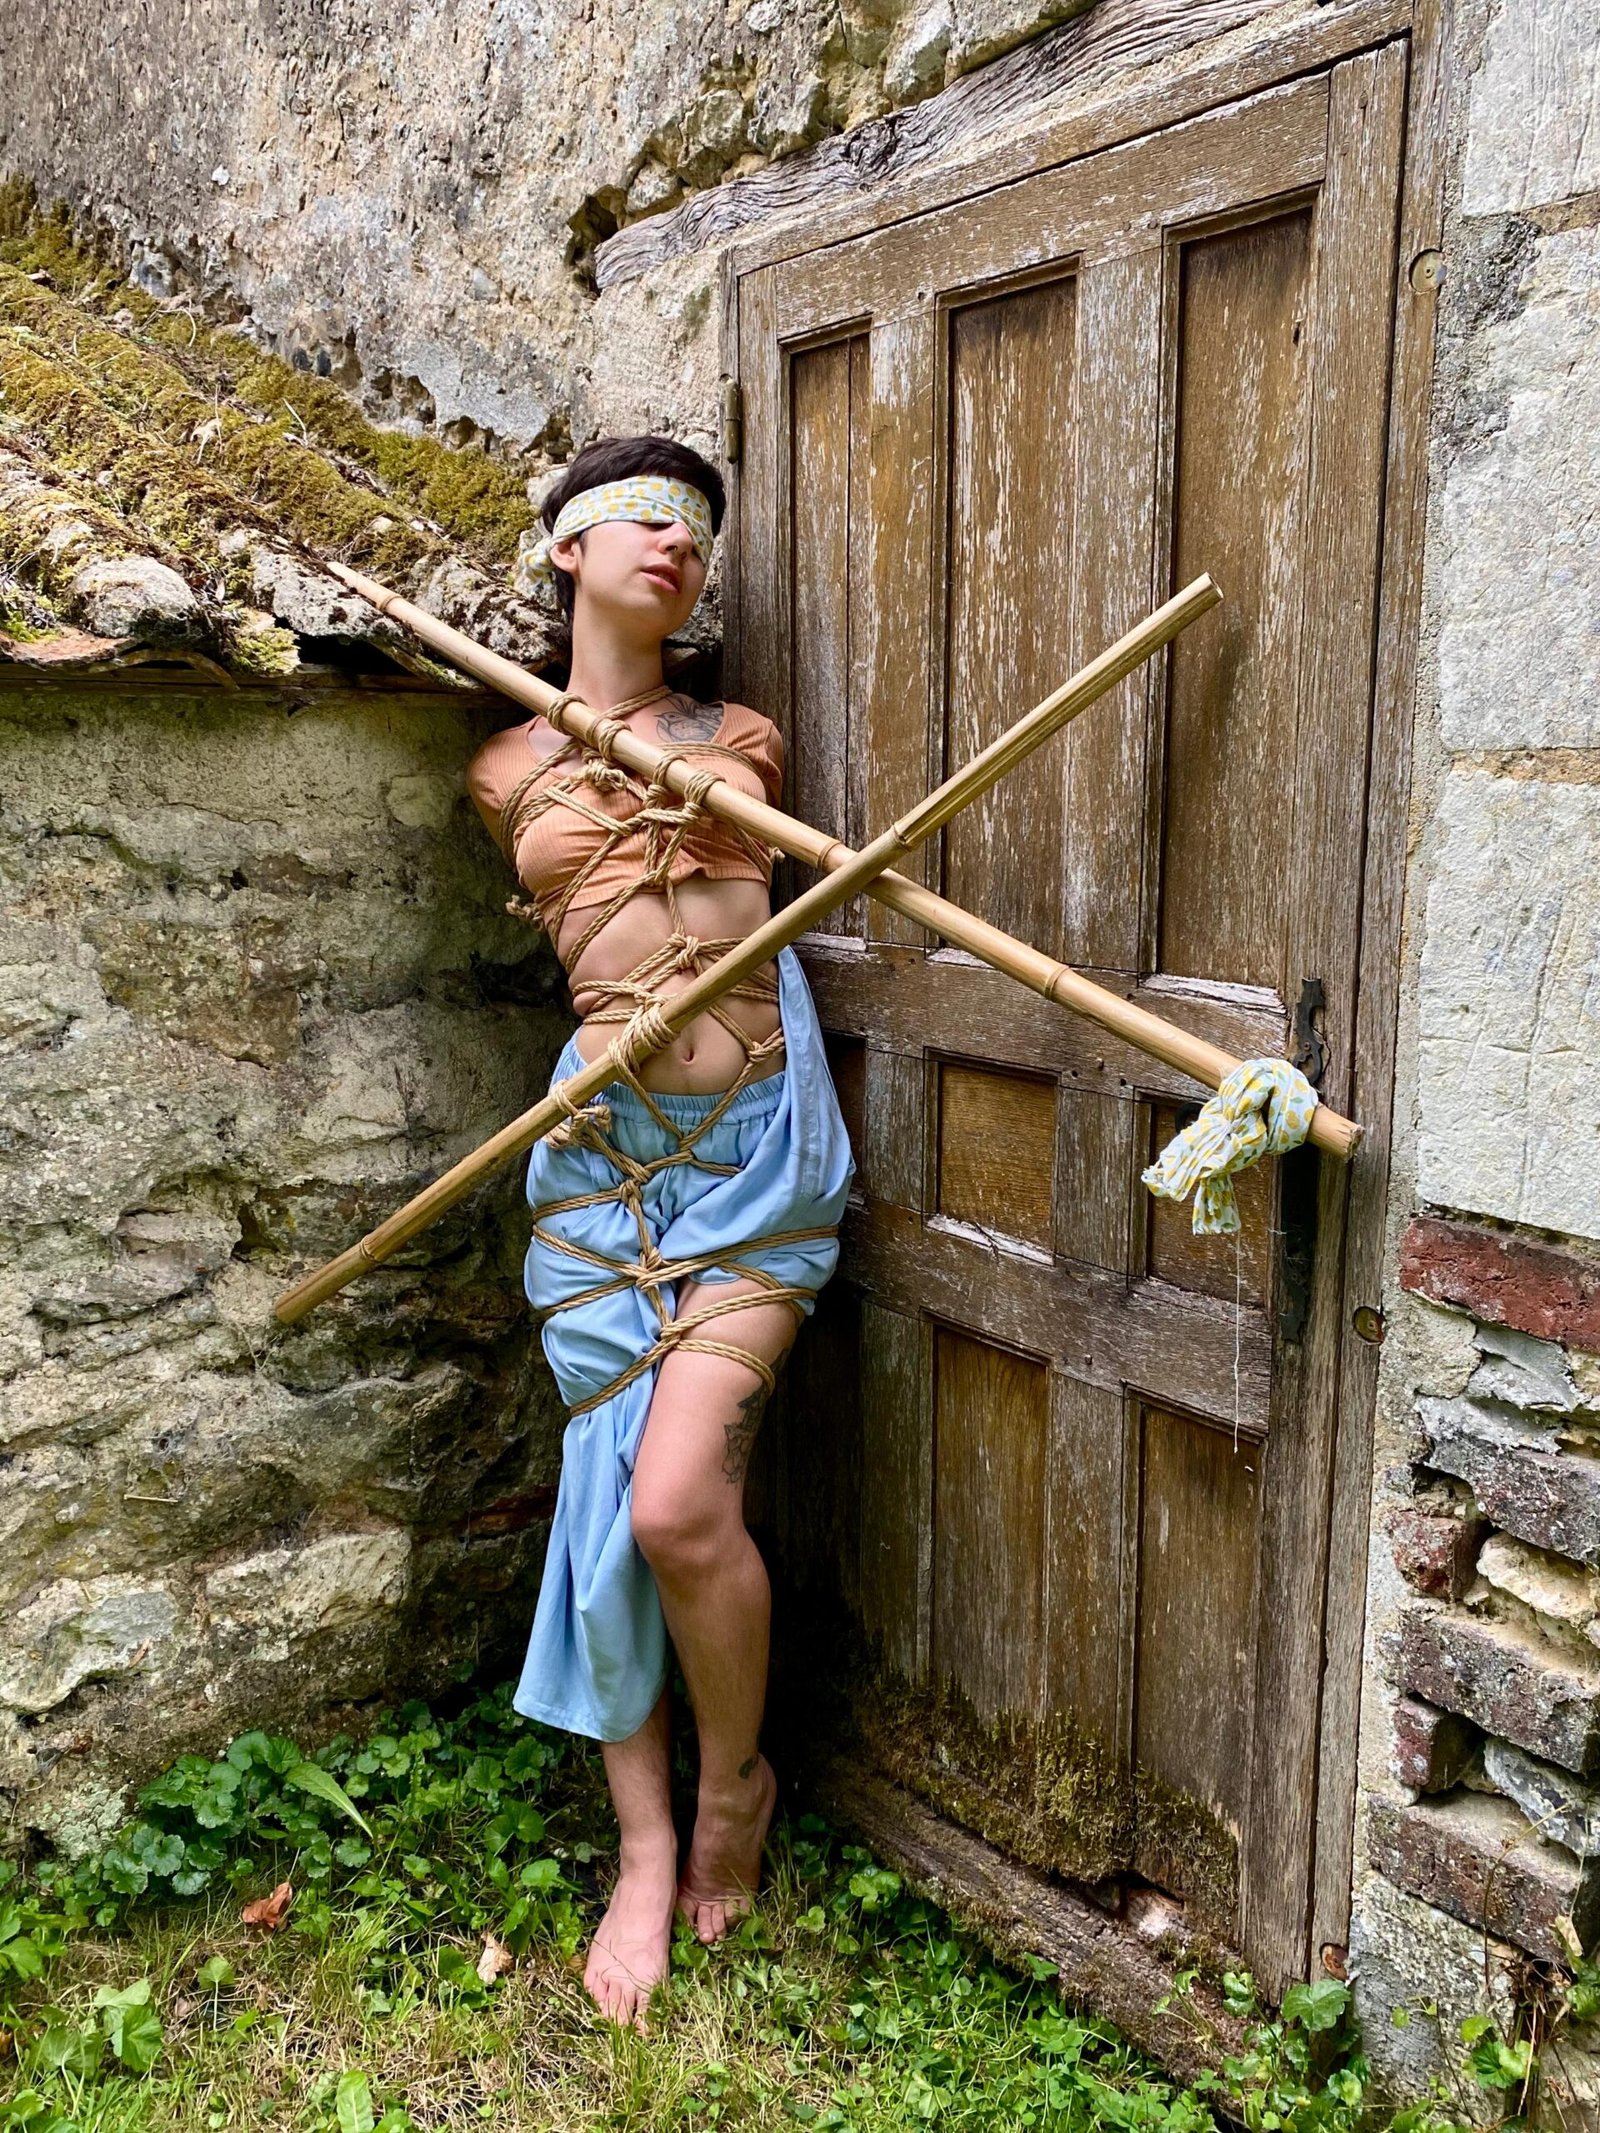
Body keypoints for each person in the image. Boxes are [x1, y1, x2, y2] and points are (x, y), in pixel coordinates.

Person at [465, 436, 854, 2032]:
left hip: (758, 1158)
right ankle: (643, 1841)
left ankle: (737, 1784)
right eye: (642, 516)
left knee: (684, 1501)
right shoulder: (501, 762)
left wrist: (684, 784)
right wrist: (599, 765)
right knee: (613, 1512)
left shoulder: (743, 734)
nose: (676, 544)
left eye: (698, 527)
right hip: (607, 1178)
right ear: (565, 549)